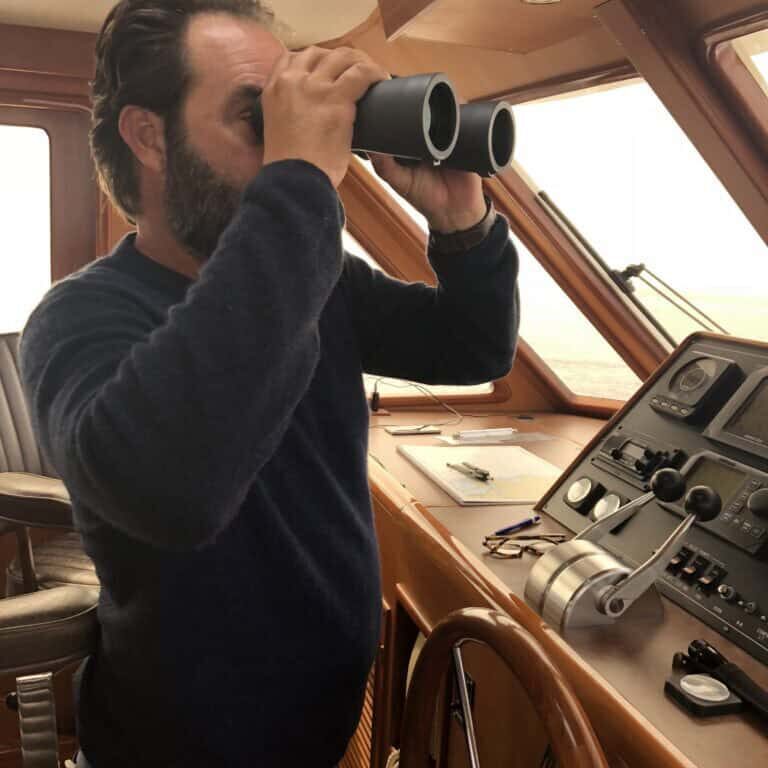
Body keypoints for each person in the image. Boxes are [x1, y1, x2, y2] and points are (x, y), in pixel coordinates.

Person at [20, 1, 520, 766]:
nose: (289, 144)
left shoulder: (314, 279)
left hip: (322, 732)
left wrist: (462, 223)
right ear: (150, 136)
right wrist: (301, 181)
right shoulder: (80, 318)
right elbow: (173, 490)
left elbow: (472, 346)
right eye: (261, 118)